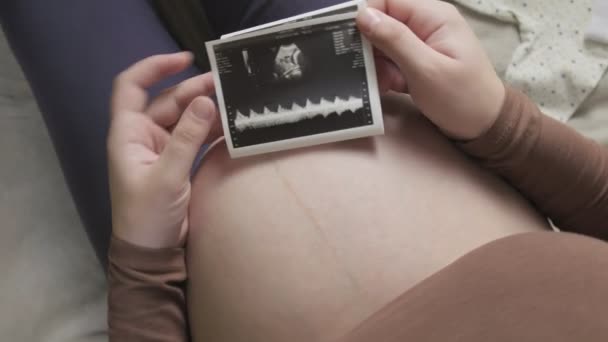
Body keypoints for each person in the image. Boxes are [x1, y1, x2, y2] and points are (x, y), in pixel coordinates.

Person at [106, 0, 608, 341]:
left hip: (164, 240)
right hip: (382, 84)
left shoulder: (149, 250)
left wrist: (142, 262)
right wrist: (500, 123)